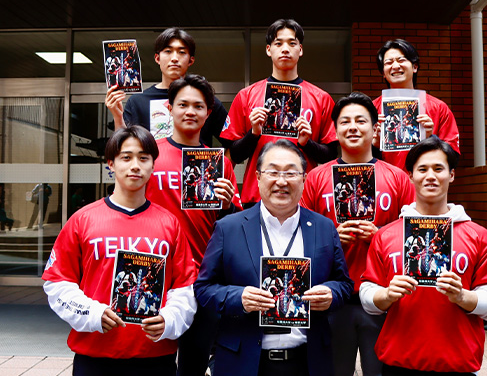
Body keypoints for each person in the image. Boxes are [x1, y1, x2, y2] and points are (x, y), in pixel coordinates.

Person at [42, 126, 197, 376]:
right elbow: (57, 283)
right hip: (94, 357)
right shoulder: (82, 220)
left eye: (143, 158)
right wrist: (93, 313)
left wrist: (169, 320)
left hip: (155, 359)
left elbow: (184, 288)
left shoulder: (171, 224)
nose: (135, 165)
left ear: (153, 165)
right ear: (111, 164)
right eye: (126, 157)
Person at [194, 139, 354, 376]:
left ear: (304, 179)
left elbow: (344, 284)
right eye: (273, 172)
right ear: (258, 177)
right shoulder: (229, 228)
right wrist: (239, 297)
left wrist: (331, 294)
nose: (281, 181)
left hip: (307, 361)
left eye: (291, 173)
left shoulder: (323, 227)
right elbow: (203, 288)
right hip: (244, 362)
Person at [360, 135, 487, 375]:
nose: (430, 176)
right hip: (398, 363)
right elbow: (367, 295)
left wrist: (463, 297)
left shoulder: (478, 235)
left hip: (457, 364)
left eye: (439, 168)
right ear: (410, 176)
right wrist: (386, 294)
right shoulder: (385, 235)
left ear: (451, 175)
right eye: (422, 169)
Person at [300, 92, 415, 376]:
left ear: (375, 129)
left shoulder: (398, 177)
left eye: (361, 121)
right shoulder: (315, 177)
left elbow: (413, 237)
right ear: (335, 131)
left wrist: (380, 237)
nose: (352, 127)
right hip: (331, 299)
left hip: (382, 300)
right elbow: (297, 235)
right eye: (345, 122)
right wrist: (330, 240)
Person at [144, 74, 242, 376]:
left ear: (208, 112)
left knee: (194, 362)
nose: (190, 111)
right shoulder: (150, 154)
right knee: (152, 359)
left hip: (200, 275)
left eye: (198, 106)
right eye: (183, 104)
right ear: (169, 108)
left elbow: (232, 226)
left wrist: (226, 205)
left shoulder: (219, 161)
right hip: (153, 270)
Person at [221, 19, 338, 209]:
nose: (285, 49)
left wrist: (307, 143)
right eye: (278, 43)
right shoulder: (247, 95)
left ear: (300, 50)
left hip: (304, 198)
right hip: (256, 197)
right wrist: (254, 133)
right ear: (269, 50)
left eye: (292, 43)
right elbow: (233, 154)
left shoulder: (321, 98)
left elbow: (331, 158)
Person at [105, 27, 228, 147]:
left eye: (181, 52)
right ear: (157, 58)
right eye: (168, 51)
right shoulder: (137, 102)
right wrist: (117, 116)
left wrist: (219, 167)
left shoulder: (206, 101)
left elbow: (232, 145)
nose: (174, 58)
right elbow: (124, 147)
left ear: (191, 60)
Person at [372, 38, 460, 170]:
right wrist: (375, 146)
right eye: (388, 62)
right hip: (386, 186)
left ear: (415, 67)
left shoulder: (439, 108)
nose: (395, 66)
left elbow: (453, 157)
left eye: (401, 60)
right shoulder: (371, 110)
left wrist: (432, 139)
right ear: (383, 73)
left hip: (423, 186)